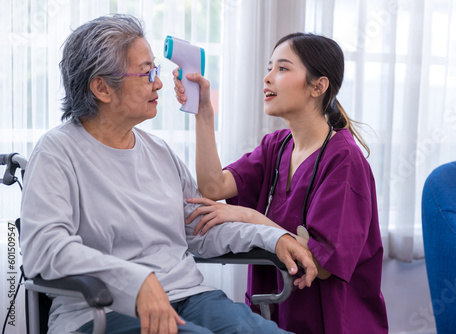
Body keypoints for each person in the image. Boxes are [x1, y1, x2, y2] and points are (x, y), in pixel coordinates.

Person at [19, 15, 318, 334]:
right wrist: (136, 282)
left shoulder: (159, 152)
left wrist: (274, 237)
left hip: (189, 299)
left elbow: (202, 228)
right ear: (102, 88)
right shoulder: (57, 152)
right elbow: (43, 249)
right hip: (100, 312)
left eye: (155, 71)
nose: (158, 83)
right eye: (147, 72)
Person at [174, 32, 389, 333]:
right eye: (269, 67)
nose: (267, 78)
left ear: (319, 85)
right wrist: (203, 111)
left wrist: (250, 217)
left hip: (331, 322)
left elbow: (323, 265)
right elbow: (213, 186)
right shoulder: (277, 146)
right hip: (276, 313)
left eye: (283, 68)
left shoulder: (345, 161)